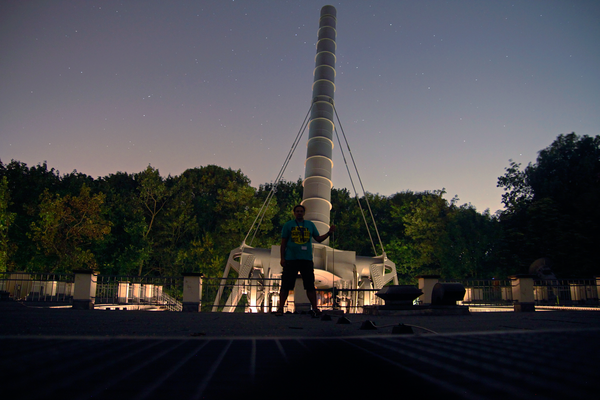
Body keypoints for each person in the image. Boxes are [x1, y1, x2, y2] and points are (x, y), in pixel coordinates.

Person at [276, 204, 336, 316]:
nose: (299, 213)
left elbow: (318, 239)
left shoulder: (310, 225)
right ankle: (280, 308)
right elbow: (283, 243)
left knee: (310, 285)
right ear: (294, 213)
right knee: (286, 285)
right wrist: (282, 258)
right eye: (297, 211)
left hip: (306, 259)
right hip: (291, 259)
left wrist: (329, 233)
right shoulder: (288, 225)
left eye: (301, 211)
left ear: (304, 213)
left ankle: (315, 308)